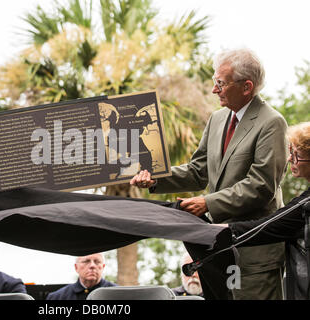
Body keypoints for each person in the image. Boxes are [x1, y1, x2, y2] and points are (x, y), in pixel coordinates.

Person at [131, 48, 288, 300]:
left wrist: (207, 202)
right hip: (218, 250)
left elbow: (260, 187)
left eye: (220, 83)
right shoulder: (217, 119)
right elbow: (197, 171)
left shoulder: (272, 123)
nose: (214, 90)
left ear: (247, 87)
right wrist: (155, 177)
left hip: (254, 253)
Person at [217, 122, 310, 299]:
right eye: (291, 152)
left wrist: (212, 232)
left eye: (297, 155)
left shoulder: (306, 205)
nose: (290, 159)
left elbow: (268, 226)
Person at [46, 253, 116, 300]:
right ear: (76, 267)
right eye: (86, 261)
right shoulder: (57, 297)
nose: (92, 265)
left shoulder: (118, 294)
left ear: (103, 266)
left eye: (97, 261)